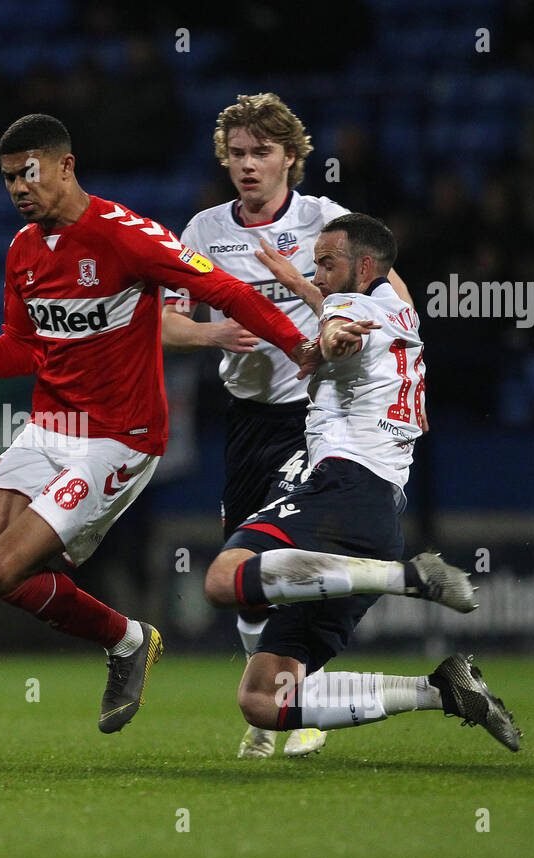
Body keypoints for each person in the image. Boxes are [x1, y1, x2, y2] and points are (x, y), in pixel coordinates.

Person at [0, 113, 328, 769]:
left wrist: (297, 343)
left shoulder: (128, 237)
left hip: (119, 438)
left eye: (28, 173)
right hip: (50, 426)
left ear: (66, 166)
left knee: (8, 570)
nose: (17, 188)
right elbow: (24, 349)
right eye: (8, 177)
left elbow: (225, 289)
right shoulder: (24, 251)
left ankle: (125, 640)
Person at [202, 213, 521, 752]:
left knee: (222, 580)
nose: (318, 271)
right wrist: (305, 289)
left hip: (341, 493)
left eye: (327, 262)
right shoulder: (401, 312)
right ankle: (442, 690)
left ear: (364, 265)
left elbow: (339, 325)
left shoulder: (354, 310)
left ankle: (405, 580)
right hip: (374, 514)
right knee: (265, 699)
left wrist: (328, 341)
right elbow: (338, 309)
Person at [161, 93, 417, 759]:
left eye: (261, 153)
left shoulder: (327, 222)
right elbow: (159, 321)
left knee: (268, 564)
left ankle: (296, 706)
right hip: (246, 420)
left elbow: (395, 297)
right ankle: (275, 705)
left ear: (291, 160)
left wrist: (342, 330)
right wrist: (209, 329)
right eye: (237, 154)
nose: (248, 165)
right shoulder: (203, 232)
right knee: (244, 584)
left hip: (313, 420)